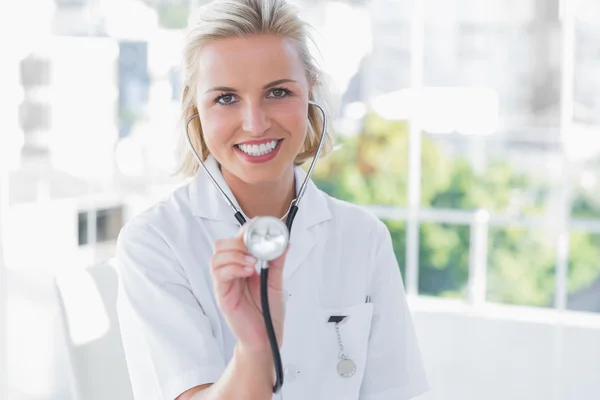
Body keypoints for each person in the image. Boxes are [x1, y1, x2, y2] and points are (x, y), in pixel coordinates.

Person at [115, 0, 429, 399]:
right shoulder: (155, 241)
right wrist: (255, 351)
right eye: (226, 98)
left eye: (278, 92)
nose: (255, 123)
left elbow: (400, 392)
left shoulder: (363, 238)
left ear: (310, 95)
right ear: (196, 108)